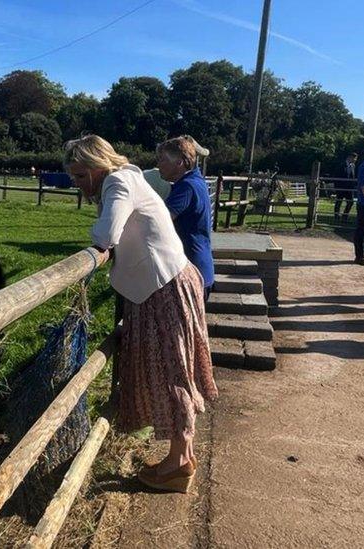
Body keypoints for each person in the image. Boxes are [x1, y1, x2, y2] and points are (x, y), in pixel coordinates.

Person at [64, 135, 217, 493]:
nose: (79, 185)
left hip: (162, 288)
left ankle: (178, 464)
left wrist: (98, 240)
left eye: (81, 176)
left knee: (172, 371)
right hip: (164, 283)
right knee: (175, 367)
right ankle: (183, 455)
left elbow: (106, 234)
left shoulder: (117, 181)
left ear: (98, 167)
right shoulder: (129, 178)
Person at [156, 135, 215, 300]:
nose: (158, 165)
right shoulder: (196, 181)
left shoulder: (186, 187)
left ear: (179, 162)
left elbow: (158, 222)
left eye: (162, 160)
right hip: (201, 267)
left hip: (190, 271)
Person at [334, 153, 358, 221]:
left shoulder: (353, 166)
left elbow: (352, 176)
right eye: (354, 158)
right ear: (349, 157)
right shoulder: (341, 165)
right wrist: (336, 188)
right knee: (339, 202)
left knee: (350, 202)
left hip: (349, 188)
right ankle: (336, 216)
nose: (355, 160)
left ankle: (345, 216)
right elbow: (336, 176)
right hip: (341, 188)